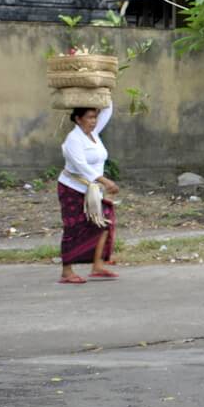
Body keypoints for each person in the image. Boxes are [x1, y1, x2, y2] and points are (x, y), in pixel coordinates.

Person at [57, 105, 119, 284]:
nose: (94, 121)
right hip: (72, 188)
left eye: (95, 117)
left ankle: (97, 266)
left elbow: (107, 110)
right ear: (78, 119)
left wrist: (104, 90)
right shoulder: (73, 139)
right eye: (90, 117)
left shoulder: (94, 133)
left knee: (104, 221)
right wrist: (106, 182)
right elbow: (82, 167)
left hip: (92, 189)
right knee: (73, 228)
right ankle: (66, 272)